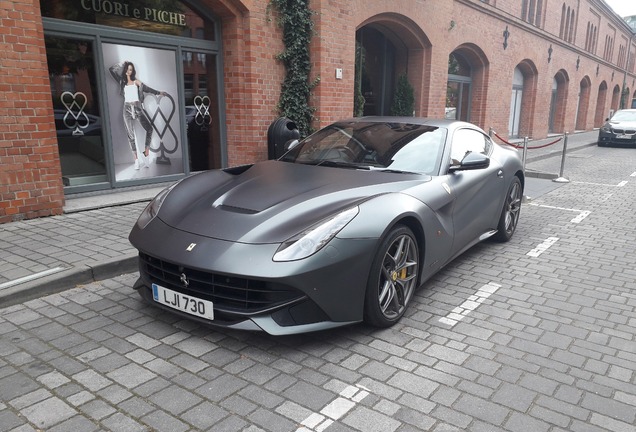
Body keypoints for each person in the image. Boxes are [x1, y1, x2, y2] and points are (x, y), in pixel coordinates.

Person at [109, 61, 166, 169]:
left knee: (149, 129)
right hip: (126, 109)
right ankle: (136, 160)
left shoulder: (136, 82)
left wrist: (159, 92)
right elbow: (111, 70)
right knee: (130, 135)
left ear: (132, 71)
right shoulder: (121, 81)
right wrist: (121, 64)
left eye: (130, 69)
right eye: (126, 69)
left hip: (137, 108)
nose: (128, 71)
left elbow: (147, 89)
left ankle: (146, 153)